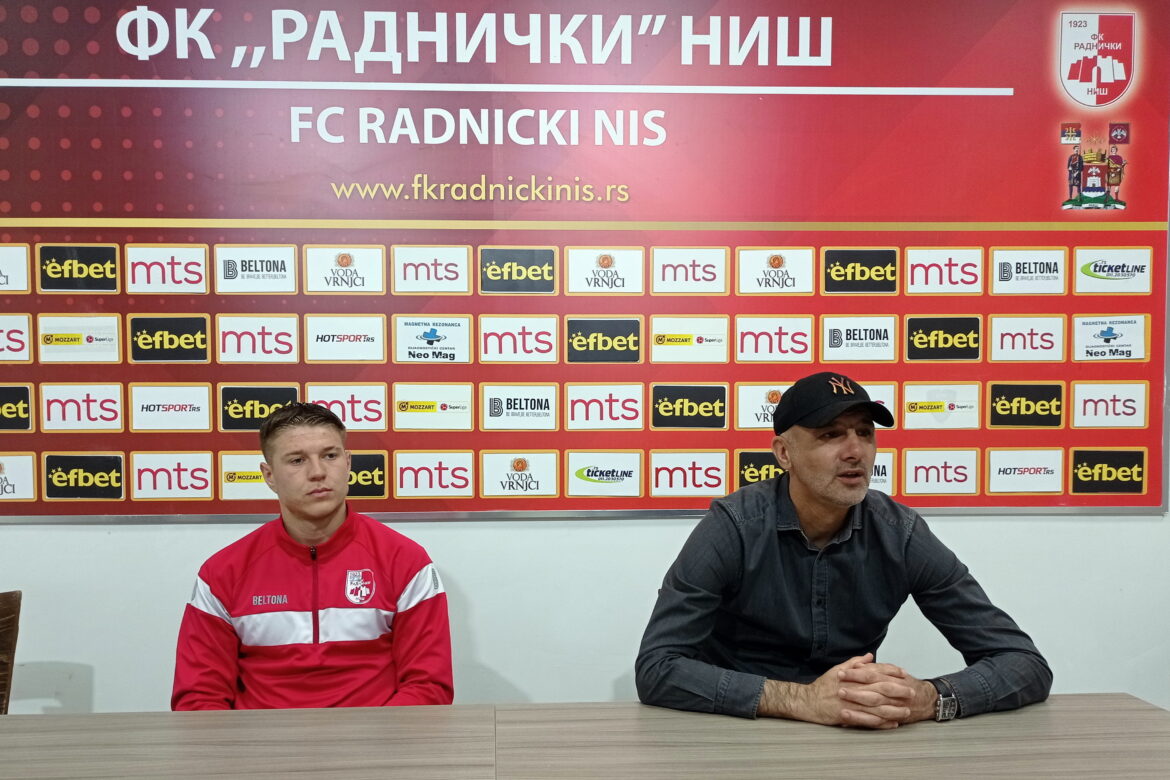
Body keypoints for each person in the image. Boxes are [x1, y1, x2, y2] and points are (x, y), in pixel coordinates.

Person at [635, 372, 1051, 728]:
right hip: (738, 731)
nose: (855, 452)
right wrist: (800, 700)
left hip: (850, 731)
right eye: (831, 434)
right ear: (784, 453)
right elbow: (658, 668)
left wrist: (928, 698)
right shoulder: (734, 527)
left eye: (864, 433)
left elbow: (1023, 663)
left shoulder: (900, 533)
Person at [172, 402, 453, 710]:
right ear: (269, 475)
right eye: (297, 460)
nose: (318, 472)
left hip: (376, 737)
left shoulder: (405, 561)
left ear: (348, 462)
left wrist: (373, 738)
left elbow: (428, 686)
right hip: (260, 741)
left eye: (330, 456)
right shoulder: (222, 573)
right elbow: (199, 697)